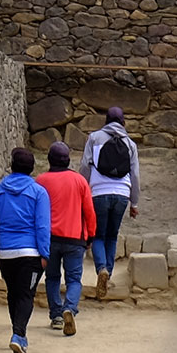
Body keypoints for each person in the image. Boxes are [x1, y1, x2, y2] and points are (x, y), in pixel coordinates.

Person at [0, 146, 53, 353]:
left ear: (12, 166)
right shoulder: (38, 193)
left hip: (6, 254)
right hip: (31, 253)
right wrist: (45, 254)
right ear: (32, 168)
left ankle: (19, 334)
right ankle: (18, 335)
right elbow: (42, 226)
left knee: (13, 294)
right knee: (26, 295)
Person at [36, 142, 97, 335]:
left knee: (52, 277)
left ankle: (56, 316)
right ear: (68, 159)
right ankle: (69, 307)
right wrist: (91, 235)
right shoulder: (79, 181)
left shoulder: (40, 181)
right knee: (73, 279)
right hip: (74, 238)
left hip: (49, 239)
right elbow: (89, 211)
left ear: (49, 160)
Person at [83, 106, 138, 289]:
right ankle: (109, 277)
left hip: (98, 193)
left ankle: (101, 270)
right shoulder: (130, 144)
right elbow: (135, 174)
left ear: (105, 121)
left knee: (98, 235)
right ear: (123, 122)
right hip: (122, 193)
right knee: (112, 236)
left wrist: (82, 193)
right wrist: (134, 202)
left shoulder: (94, 138)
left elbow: (85, 166)